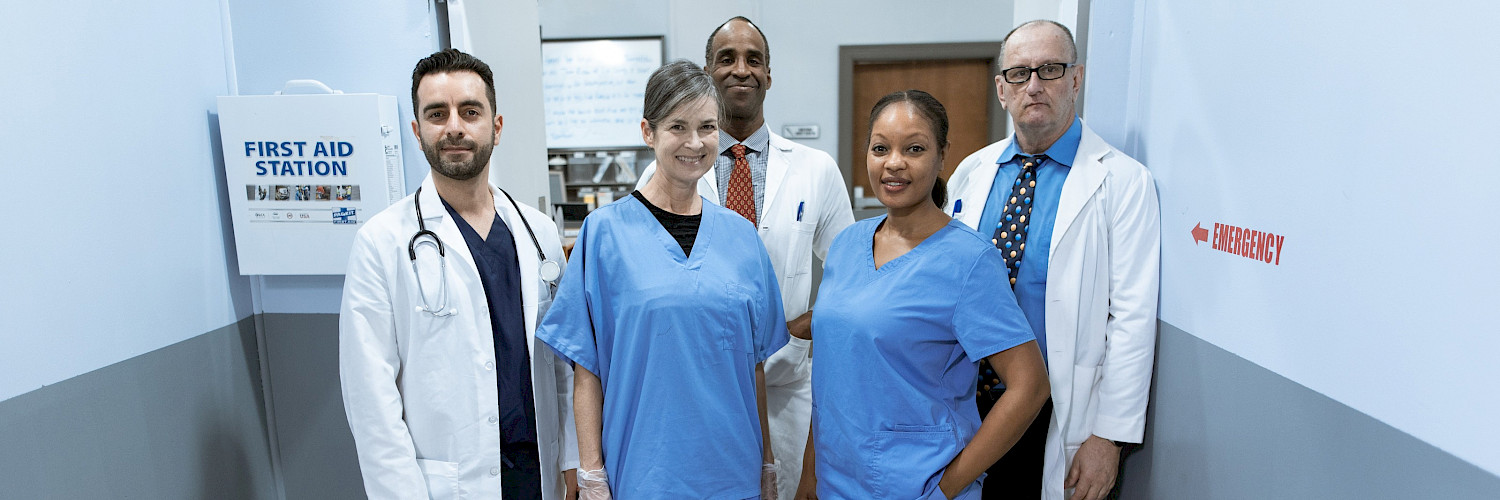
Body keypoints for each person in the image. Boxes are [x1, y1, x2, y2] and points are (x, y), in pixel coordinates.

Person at [537, 59, 789, 499]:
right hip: (645, 471)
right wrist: (590, 472)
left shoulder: (741, 237)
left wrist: (766, 462)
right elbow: (586, 370)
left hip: (734, 472)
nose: (695, 143)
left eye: (707, 127)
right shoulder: (604, 233)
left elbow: (755, 370)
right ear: (648, 132)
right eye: (678, 127)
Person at [339, 48, 578, 500]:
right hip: (446, 484)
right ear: (416, 130)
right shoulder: (382, 242)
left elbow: (561, 365)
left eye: (470, 111)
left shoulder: (538, 233)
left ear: (497, 126)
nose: (454, 127)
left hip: (537, 474)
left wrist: (571, 462)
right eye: (436, 113)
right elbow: (371, 399)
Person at [635, 18, 855, 498]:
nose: (741, 70)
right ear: (708, 73)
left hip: (788, 385)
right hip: (701, 386)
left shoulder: (816, 169)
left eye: (754, 59)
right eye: (727, 59)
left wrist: (797, 328)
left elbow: (854, 271)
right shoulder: (667, 168)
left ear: (769, 75)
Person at [945, 20, 1161, 500]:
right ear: (1001, 89)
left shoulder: (1124, 183)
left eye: (1050, 69)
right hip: (964, 401)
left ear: (1076, 79)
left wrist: (1109, 437)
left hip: (1053, 411)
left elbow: (1131, 318)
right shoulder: (971, 172)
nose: (1035, 86)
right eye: (1020, 74)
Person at [797, 90, 1050, 499]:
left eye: (914, 148)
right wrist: (810, 475)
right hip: (835, 480)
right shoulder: (847, 245)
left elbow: (1030, 387)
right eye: (881, 148)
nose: (893, 163)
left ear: (942, 154)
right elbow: (833, 376)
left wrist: (947, 488)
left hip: (916, 484)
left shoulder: (969, 261)